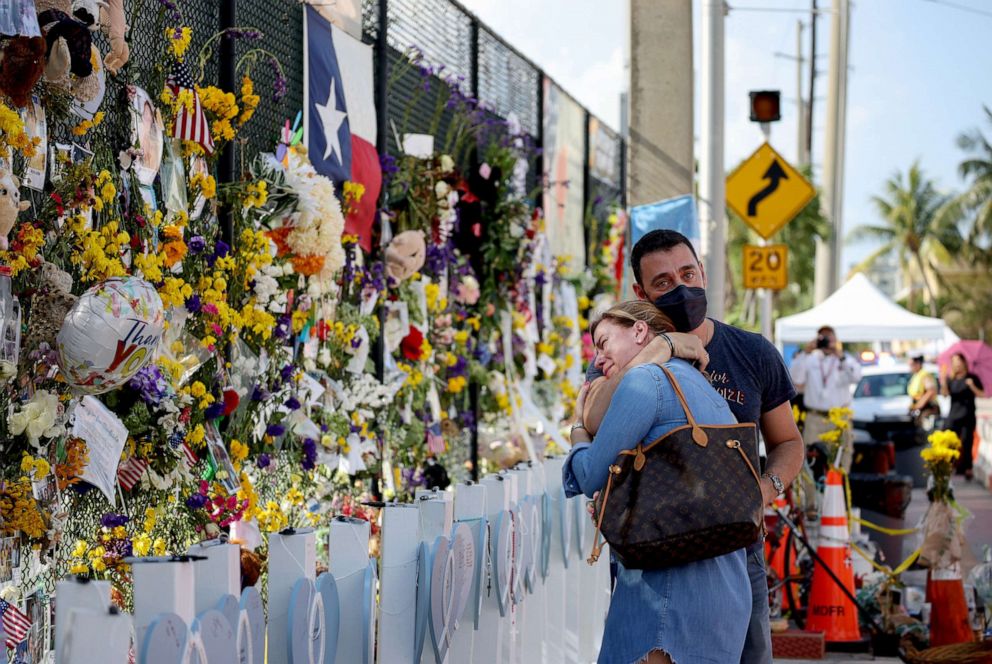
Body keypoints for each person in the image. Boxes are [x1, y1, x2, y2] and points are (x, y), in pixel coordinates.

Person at [582, 229, 804, 664]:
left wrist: (760, 492)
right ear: (640, 293)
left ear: (703, 272)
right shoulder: (621, 353)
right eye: (663, 282)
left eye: (688, 273)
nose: (681, 287)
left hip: (737, 551)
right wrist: (662, 346)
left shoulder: (751, 352)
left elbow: (789, 442)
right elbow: (592, 416)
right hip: (651, 552)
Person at [564, 301, 750, 664]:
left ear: (639, 331)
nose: (598, 360)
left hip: (668, 589)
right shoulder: (705, 387)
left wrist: (578, 433)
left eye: (603, 343)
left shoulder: (645, 381)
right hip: (726, 587)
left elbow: (590, 475)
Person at [789, 325, 862, 472]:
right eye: (823, 338)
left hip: (840, 419)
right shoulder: (810, 359)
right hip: (815, 418)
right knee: (810, 462)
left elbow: (856, 376)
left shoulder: (845, 359)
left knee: (841, 462)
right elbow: (795, 378)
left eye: (829, 337)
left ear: (836, 339)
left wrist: (840, 356)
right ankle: (814, 495)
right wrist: (805, 352)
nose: (826, 341)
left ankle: (840, 494)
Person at [941, 352, 986, 481]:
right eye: (954, 362)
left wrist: (972, 386)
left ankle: (967, 468)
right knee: (950, 442)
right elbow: (944, 394)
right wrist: (944, 381)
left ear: (963, 362)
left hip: (967, 415)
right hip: (953, 415)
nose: (956, 364)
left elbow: (982, 394)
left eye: (958, 361)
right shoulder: (951, 379)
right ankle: (949, 467)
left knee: (967, 442)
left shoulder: (972, 377)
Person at [908, 355, 940, 430]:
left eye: (912, 365)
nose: (910, 367)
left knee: (926, 431)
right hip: (920, 409)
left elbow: (931, 391)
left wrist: (919, 405)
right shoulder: (916, 375)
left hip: (927, 408)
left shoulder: (924, 375)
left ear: (918, 364)